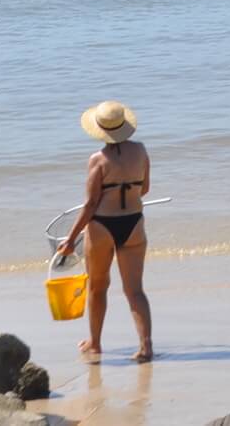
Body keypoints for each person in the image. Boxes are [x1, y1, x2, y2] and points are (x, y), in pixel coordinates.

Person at [53, 100, 154, 362]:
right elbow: (144, 190)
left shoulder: (97, 160)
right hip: (134, 223)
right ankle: (145, 347)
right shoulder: (141, 151)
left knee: (98, 288)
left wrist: (70, 239)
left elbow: (89, 205)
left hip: (102, 227)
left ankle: (95, 343)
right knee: (135, 291)